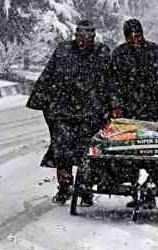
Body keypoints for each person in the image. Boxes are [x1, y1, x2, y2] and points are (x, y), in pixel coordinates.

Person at [27, 19, 111, 205]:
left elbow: (109, 82)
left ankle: (85, 189)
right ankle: (65, 187)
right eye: (80, 35)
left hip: (90, 114)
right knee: (62, 152)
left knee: (88, 153)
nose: (83, 40)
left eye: (87, 36)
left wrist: (109, 108)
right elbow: (48, 76)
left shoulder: (102, 53)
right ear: (75, 35)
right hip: (62, 112)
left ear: (93, 36)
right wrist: (42, 101)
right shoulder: (63, 51)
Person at [108, 18, 158, 121]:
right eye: (129, 37)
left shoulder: (155, 51)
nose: (134, 40)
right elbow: (113, 83)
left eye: (137, 36)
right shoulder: (119, 54)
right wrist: (117, 106)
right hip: (127, 110)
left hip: (153, 109)